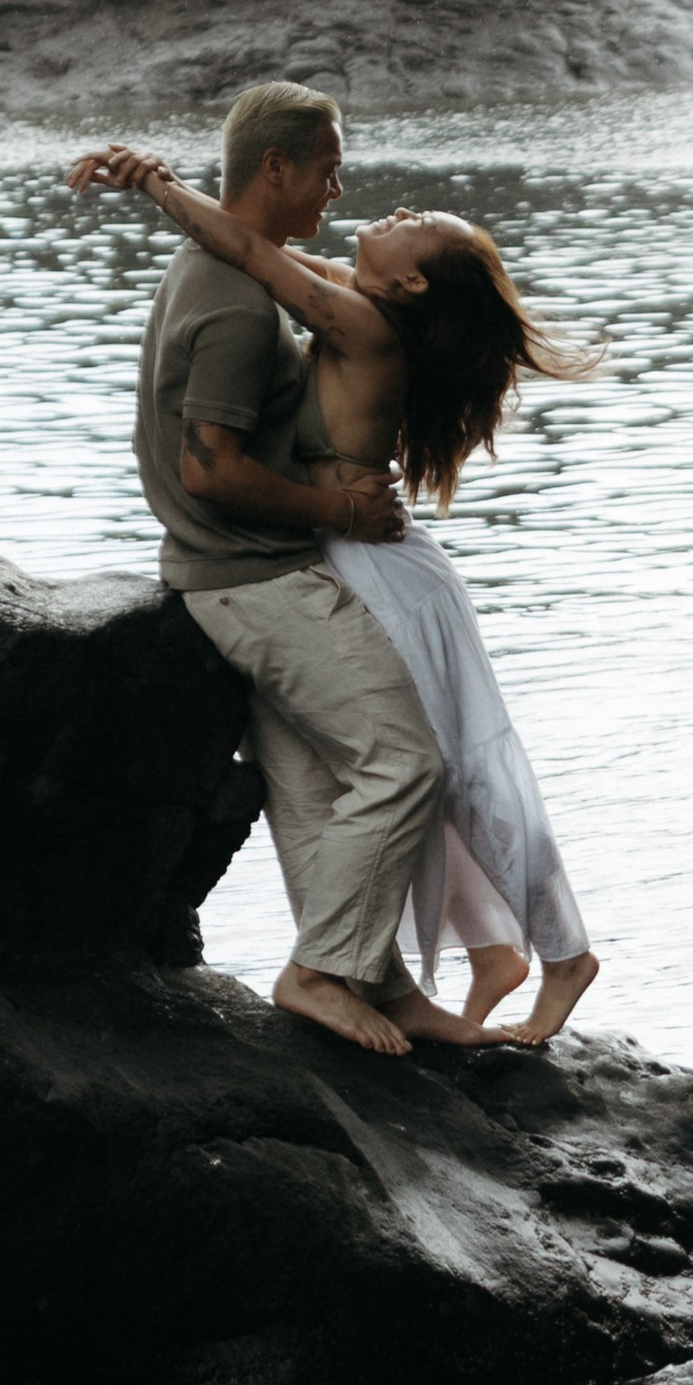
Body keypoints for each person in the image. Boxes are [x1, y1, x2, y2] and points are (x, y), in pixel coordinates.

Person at [70, 106, 602, 1047]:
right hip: (335, 553)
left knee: (449, 763)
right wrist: (161, 185)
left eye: (412, 221)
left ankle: (543, 954)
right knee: (362, 771)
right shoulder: (355, 297)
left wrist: (152, 179)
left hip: (375, 566)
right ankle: (420, 968)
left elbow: (249, 246)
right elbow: (252, 246)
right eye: (336, 171)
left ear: (410, 282)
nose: (378, 203)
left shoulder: (360, 321)